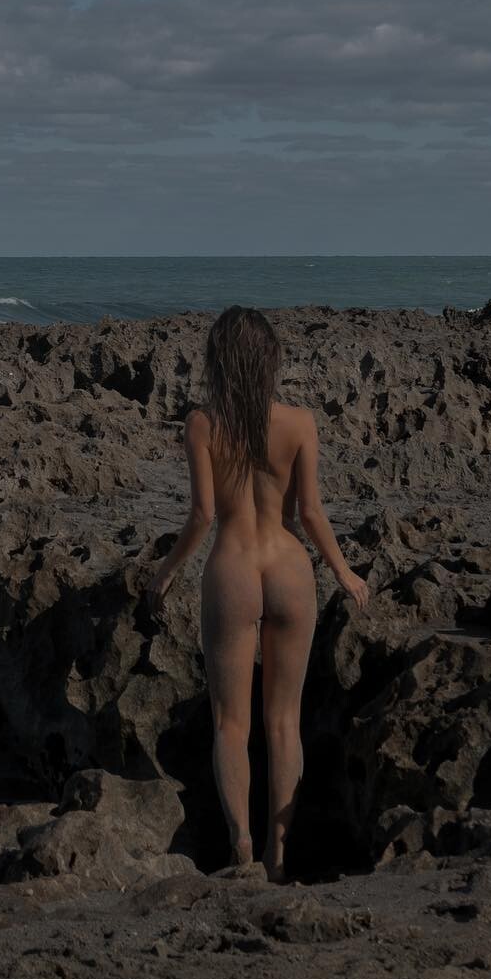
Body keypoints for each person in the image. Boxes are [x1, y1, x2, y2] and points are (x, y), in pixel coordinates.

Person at [143, 305, 369, 880]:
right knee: (284, 722)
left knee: (230, 724)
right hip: (289, 568)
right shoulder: (300, 423)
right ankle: (280, 854)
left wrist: (166, 572)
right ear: (270, 360)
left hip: (234, 571)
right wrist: (343, 571)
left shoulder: (201, 425)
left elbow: (203, 514)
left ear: (218, 361)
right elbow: (311, 513)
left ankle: (239, 844)